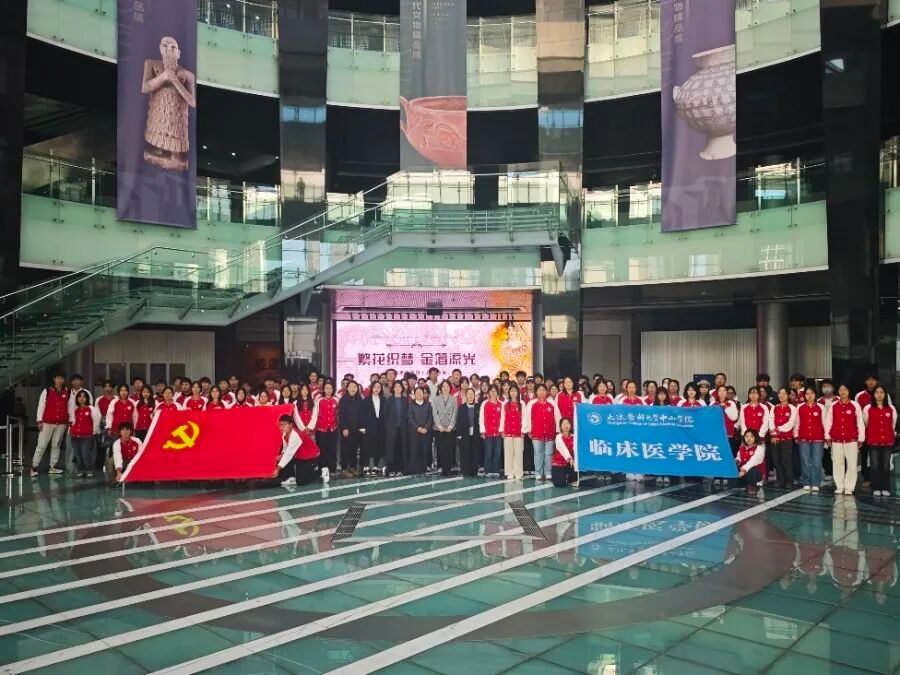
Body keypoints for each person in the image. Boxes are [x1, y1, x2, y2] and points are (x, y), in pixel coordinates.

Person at [824, 384, 864, 496]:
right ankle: (840, 486)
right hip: (836, 439)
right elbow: (828, 421)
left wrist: (861, 438)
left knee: (852, 465)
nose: (843, 392)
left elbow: (860, 422)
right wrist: (827, 436)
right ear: (838, 392)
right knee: (837, 464)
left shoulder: (855, 405)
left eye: (845, 389)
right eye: (840, 390)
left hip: (851, 440)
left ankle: (849, 487)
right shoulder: (833, 405)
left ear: (849, 391)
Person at [30, 372, 70, 476]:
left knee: (56, 445)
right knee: (42, 445)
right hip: (47, 423)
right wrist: (39, 421)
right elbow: (41, 406)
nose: (60, 380)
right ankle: (34, 467)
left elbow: (69, 407)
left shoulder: (67, 392)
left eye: (62, 378)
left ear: (64, 380)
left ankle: (53, 467)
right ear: (54, 379)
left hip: (61, 424)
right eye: (58, 378)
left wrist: (68, 421)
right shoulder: (47, 391)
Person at [863, 385, 896, 497]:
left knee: (885, 465)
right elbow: (866, 423)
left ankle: (885, 487)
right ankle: (876, 487)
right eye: (877, 392)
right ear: (873, 394)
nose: (879, 394)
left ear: (885, 394)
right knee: (875, 465)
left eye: (882, 392)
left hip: (887, 441)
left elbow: (893, 424)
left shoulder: (891, 408)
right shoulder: (868, 408)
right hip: (873, 441)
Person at [274, 414, 323, 487]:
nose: (282, 427)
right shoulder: (285, 433)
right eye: (280, 425)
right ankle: (292, 477)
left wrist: (278, 469)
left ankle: (321, 472)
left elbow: (289, 454)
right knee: (283, 460)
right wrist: (281, 455)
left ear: (291, 425)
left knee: (301, 481)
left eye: (284, 425)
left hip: (312, 457)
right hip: (300, 456)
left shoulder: (295, 436)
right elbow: (286, 448)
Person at [524, 384, 559, 482]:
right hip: (536, 432)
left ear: (546, 391)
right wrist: (528, 430)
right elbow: (527, 418)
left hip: (550, 432)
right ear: (536, 392)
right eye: (539, 390)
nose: (541, 392)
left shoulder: (552, 403)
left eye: (543, 390)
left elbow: (557, 417)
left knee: (549, 453)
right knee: (538, 453)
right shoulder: (531, 403)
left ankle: (548, 472)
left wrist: (557, 430)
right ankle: (538, 473)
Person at [796, 386, 826, 493]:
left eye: (812, 393)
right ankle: (806, 482)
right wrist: (796, 435)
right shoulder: (800, 407)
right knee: (805, 461)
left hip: (818, 438)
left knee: (817, 461)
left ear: (815, 394)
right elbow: (797, 422)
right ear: (804, 395)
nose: (809, 396)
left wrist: (826, 437)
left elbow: (824, 422)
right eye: (807, 394)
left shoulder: (821, 407)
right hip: (803, 438)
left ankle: (816, 483)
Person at [68, 390, 100, 478]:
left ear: (87, 398)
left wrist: (93, 431)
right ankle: (80, 470)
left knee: (85, 454)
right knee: (77, 455)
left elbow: (97, 419)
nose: (81, 398)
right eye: (80, 396)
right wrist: (71, 430)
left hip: (86, 436)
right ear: (77, 399)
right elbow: (73, 421)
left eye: (84, 396)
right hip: (75, 436)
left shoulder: (91, 408)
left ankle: (89, 469)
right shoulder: (76, 410)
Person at [770, 387, 797, 489]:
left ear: (788, 395)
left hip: (786, 439)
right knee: (776, 460)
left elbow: (790, 424)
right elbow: (771, 421)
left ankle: (789, 481)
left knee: (786, 460)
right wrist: (774, 434)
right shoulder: (774, 408)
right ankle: (780, 481)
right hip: (775, 439)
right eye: (779, 393)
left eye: (784, 393)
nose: (781, 395)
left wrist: (777, 429)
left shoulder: (793, 408)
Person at [338, 381, 365, 478]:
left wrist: (362, 427)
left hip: (356, 429)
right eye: (351, 387)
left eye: (355, 387)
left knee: (354, 449)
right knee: (345, 449)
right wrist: (344, 428)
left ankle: (353, 467)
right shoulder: (343, 399)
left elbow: (362, 415)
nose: (353, 388)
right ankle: (344, 469)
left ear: (357, 389)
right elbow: (341, 415)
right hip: (346, 429)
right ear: (347, 388)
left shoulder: (360, 399)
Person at [432, 380, 458, 477]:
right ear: (440, 388)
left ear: (450, 388)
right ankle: (442, 468)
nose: (445, 388)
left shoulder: (454, 399)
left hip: (451, 429)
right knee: (441, 449)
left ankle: (448, 469)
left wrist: (451, 426)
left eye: (447, 386)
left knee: (450, 449)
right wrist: (439, 426)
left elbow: (455, 413)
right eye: (443, 386)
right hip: (439, 429)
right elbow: (435, 413)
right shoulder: (436, 399)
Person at [315, 381, 340, 476]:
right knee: (322, 449)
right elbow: (315, 413)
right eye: (327, 388)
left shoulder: (336, 400)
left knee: (332, 449)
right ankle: (322, 469)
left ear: (333, 389)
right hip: (321, 429)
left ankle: (332, 469)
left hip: (333, 428)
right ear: (323, 389)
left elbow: (339, 414)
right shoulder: (319, 400)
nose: (329, 390)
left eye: (330, 388)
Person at [361, 381, 386, 476]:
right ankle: (366, 465)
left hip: (380, 426)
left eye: (379, 387)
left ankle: (376, 465)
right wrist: (362, 427)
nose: (377, 389)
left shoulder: (383, 400)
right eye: (375, 387)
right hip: (368, 426)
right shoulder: (366, 400)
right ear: (372, 388)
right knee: (367, 446)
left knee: (378, 445)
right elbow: (362, 414)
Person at [384, 381, 408, 476]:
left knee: (401, 449)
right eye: (396, 386)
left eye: (399, 386)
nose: (398, 388)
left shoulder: (405, 400)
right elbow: (385, 415)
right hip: (391, 429)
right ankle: (391, 469)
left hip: (403, 429)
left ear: (402, 388)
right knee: (391, 449)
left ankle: (400, 469)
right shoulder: (388, 400)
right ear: (393, 388)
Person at [407, 387, 433, 475]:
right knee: (414, 449)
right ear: (414, 394)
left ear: (423, 394)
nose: (419, 394)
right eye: (417, 392)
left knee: (425, 449)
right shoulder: (411, 405)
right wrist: (417, 428)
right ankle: (415, 468)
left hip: (426, 431)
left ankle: (424, 468)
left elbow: (430, 417)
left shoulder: (428, 405)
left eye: (420, 392)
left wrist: (425, 427)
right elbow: (410, 418)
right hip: (414, 432)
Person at [501, 384, 525, 481]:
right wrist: (502, 430)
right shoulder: (505, 403)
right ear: (509, 392)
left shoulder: (522, 403)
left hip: (519, 432)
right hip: (508, 432)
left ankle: (518, 473)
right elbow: (502, 417)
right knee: (508, 453)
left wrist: (523, 430)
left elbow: (525, 418)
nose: (513, 393)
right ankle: (509, 472)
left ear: (518, 392)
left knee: (518, 453)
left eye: (515, 391)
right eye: (512, 391)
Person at [456, 388, 481, 477]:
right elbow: (458, 421)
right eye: (468, 394)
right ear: (466, 396)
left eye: (472, 394)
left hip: (476, 433)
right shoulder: (461, 407)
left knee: (474, 452)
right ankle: (465, 470)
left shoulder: (478, 406)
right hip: (464, 434)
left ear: (474, 396)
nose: (470, 396)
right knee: (465, 452)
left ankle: (474, 470)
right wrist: (459, 434)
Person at [480, 386, 503, 478]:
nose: (493, 393)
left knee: (497, 452)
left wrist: (501, 430)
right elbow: (481, 418)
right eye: (491, 391)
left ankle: (496, 470)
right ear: (488, 392)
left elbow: (503, 418)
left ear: (497, 393)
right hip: (488, 432)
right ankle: (488, 470)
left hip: (498, 433)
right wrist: (482, 431)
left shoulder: (501, 404)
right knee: (488, 452)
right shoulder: (484, 403)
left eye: (495, 391)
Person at [736, 429, 765, 496]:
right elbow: (738, 457)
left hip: (756, 473)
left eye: (751, 436)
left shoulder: (760, 447)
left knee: (751, 468)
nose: (749, 438)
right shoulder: (742, 447)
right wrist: (736, 461)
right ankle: (742, 484)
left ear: (756, 437)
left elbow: (752, 461)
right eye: (746, 436)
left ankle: (752, 487)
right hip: (743, 472)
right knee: (734, 466)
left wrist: (744, 470)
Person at [551, 417, 577, 488]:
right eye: (564, 424)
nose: (566, 425)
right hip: (559, 463)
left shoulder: (574, 437)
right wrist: (569, 458)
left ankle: (568, 476)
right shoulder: (558, 437)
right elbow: (563, 449)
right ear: (560, 426)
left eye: (568, 423)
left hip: (570, 463)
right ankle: (562, 476)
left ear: (571, 425)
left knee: (574, 478)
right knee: (559, 484)